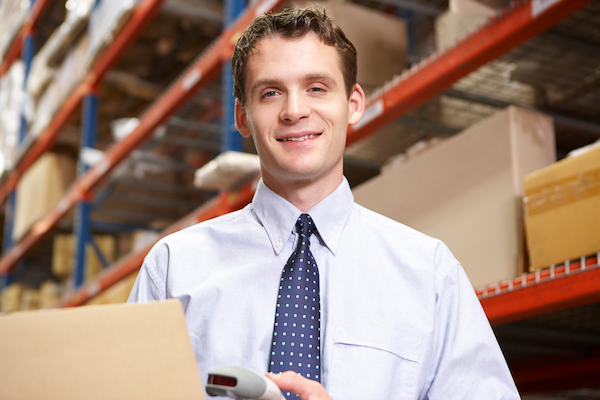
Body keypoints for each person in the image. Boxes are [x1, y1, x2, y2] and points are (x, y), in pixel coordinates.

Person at [128, 6, 520, 399]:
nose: (295, 111)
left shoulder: (430, 275)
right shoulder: (173, 270)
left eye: (316, 88)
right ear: (243, 118)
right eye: (270, 93)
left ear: (353, 104)